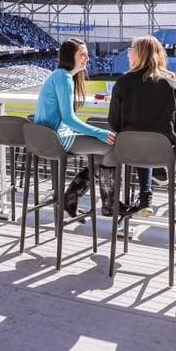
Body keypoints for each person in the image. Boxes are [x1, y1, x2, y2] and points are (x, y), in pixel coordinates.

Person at [34, 38, 124, 217]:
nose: (87, 58)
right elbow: (68, 119)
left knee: (100, 156)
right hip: (56, 139)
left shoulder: (60, 76)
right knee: (114, 147)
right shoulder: (64, 78)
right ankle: (108, 204)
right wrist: (99, 132)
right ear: (70, 56)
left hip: (46, 137)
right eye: (82, 55)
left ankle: (72, 197)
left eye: (87, 55)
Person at [108, 35, 176, 216]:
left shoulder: (123, 82)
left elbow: (113, 123)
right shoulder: (171, 81)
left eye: (131, 51)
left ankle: (144, 198)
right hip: (164, 152)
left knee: (140, 140)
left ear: (139, 55)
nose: (129, 55)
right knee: (149, 142)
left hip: (129, 152)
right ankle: (154, 178)